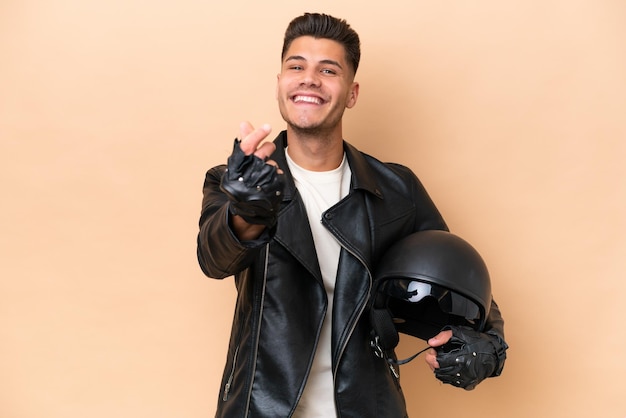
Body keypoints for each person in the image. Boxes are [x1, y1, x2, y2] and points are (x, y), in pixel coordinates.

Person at [197, 12, 507, 418]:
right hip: (260, 406)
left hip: (368, 408)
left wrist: (488, 345)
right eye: (296, 67)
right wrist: (249, 211)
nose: (309, 78)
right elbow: (214, 259)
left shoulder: (397, 190)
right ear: (280, 85)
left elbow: (459, 279)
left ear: (352, 93)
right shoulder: (235, 180)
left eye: (328, 70)